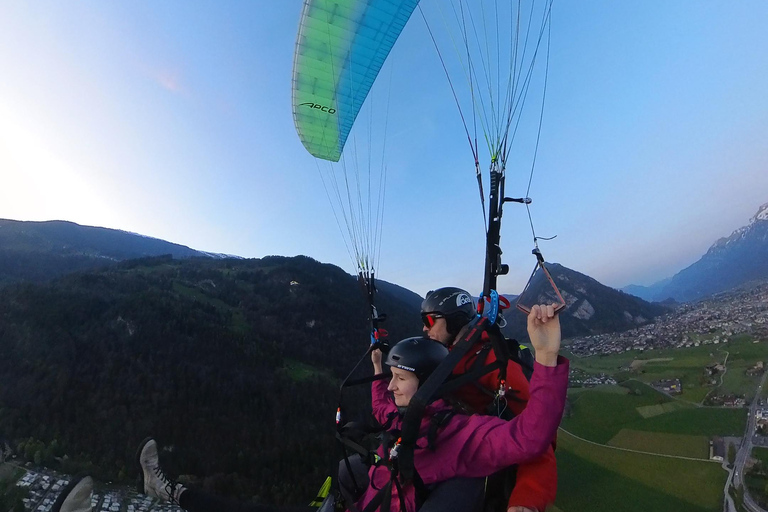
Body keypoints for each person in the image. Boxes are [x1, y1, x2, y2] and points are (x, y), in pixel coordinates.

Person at [53, 304, 567, 512]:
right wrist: (376, 361)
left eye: (398, 377)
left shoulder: (458, 435)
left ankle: (168, 492)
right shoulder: (407, 413)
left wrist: (545, 355)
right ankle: (168, 491)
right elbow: (383, 407)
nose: (389, 386)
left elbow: (529, 439)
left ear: (427, 385)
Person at [419, 287, 559, 512]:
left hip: (480, 459)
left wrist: (528, 497)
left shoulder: (493, 363)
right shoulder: (441, 358)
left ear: (454, 322)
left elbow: (538, 433)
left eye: (429, 320)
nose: (424, 329)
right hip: (442, 452)